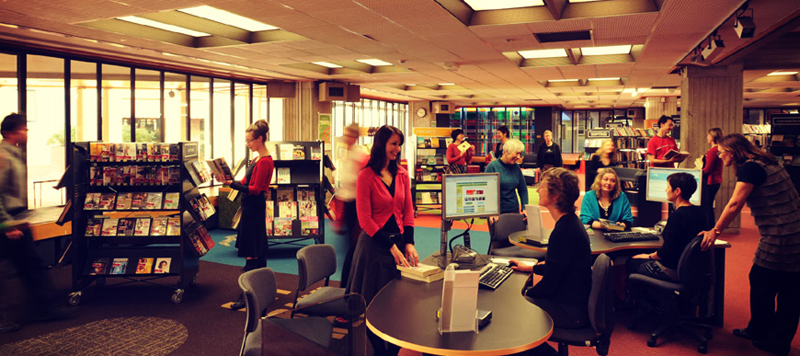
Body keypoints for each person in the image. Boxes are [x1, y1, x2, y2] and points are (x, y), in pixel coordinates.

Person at [699, 133, 800, 356]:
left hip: (782, 235)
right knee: (784, 287)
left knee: (769, 285)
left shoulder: (750, 168)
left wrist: (715, 231)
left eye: (721, 152)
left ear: (732, 153)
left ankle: (773, 341)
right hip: (792, 231)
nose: (719, 156)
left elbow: (735, 203)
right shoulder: (766, 160)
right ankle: (760, 331)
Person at [347, 125, 418, 356]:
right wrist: (391, 246)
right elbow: (365, 220)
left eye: (399, 144)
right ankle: (380, 351)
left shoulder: (403, 174)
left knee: (397, 305)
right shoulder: (366, 175)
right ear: (381, 144)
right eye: (393, 144)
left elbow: (408, 211)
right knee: (373, 305)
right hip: (374, 248)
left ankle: (395, 348)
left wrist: (408, 242)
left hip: (398, 244)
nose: (397, 149)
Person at [0, 113, 73, 333]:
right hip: (7, 223)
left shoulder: (13, 153)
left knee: (32, 265)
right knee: (21, 267)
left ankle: (46, 308)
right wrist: (7, 224)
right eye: (23, 128)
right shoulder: (3, 156)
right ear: (11, 132)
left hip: (17, 220)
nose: (27, 132)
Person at [509, 168, 592, 354]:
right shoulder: (570, 223)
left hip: (570, 312)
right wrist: (532, 268)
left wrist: (524, 294)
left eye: (542, 186)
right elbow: (560, 268)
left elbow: (549, 287)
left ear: (555, 197)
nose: (538, 190)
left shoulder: (563, 232)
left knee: (511, 310)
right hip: (575, 303)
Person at [220, 120, 274, 310]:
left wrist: (232, 185)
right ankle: (262, 289)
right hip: (250, 208)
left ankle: (248, 295)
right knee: (257, 249)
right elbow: (244, 181)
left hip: (253, 208)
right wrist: (229, 180)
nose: (247, 144)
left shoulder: (265, 161)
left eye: (249, 140)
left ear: (260, 139)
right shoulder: (257, 159)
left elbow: (255, 189)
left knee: (252, 251)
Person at [627, 172, 705, 282]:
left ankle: (638, 299)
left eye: (668, 187)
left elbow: (666, 252)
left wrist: (648, 256)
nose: (666, 190)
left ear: (677, 191)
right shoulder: (700, 213)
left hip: (672, 270)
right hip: (691, 271)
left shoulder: (677, 216)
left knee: (631, 262)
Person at [335, 123, 367, 288]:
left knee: (354, 247)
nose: (346, 139)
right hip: (347, 204)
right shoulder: (347, 155)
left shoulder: (360, 156)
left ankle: (350, 283)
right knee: (349, 247)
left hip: (356, 205)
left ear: (355, 137)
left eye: (348, 135)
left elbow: (360, 183)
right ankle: (348, 282)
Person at [485, 138, 528, 217]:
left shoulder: (516, 167)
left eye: (520, 154)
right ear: (506, 151)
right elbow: (487, 192)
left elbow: (523, 190)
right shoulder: (492, 167)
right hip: (496, 212)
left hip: (514, 210)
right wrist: (492, 211)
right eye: (517, 153)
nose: (519, 157)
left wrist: (524, 208)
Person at [702, 128, 724, 229]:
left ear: (712, 137)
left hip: (710, 181)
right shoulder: (719, 149)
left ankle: (709, 228)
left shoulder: (712, 150)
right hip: (716, 180)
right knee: (709, 205)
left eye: (708, 135)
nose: (707, 137)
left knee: (706, 206)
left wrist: (696, 173)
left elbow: (707, 169)